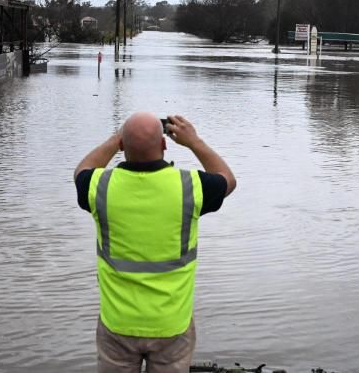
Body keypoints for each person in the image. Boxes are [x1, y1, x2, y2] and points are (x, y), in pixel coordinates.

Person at [74, 112, 237, 373]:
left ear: (122, 146)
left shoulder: (98, 186)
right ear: (164, 145)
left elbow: (80, 171)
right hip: (171, 324)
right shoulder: (191, 187)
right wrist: (194, 142)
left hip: (118, 323)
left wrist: (117, 139)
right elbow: (228, 179)